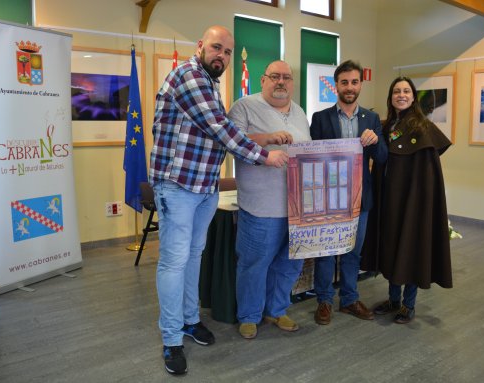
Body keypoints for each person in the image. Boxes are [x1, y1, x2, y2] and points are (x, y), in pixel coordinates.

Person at [149, 25, 288, 376]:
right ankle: (171, 339)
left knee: (194, 256)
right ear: (200, 46)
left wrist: (262, 140)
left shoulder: (210, 83)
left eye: (227, 52)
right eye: (216, 48)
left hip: (204, 187)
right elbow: (221, 130)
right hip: (177, 186)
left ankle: (190, 321)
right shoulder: (190, 77)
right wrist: (265, 155)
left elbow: (219, 131)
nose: (222, 56)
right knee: (174, 262)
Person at [228, 60, 311, 339]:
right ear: (262, 80)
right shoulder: (244, 106)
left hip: (298, 206)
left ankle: (277, 310)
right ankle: (249, 316)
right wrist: (266, 138)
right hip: (261, 206)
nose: (281, 82)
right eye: (274, 76)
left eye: (286, 77)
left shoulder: (299, 112)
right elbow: (232, 142)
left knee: (289, 264)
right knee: (254, 263)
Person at [365, 76, 452, 324]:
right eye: (396, 92)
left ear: (413, 97)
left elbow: (428, 172)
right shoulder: (386, 126)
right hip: (389, 200)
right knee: (392, 247)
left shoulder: (423, 128)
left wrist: (420, 202)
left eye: (406, 91)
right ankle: (393, 300)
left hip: (413, 202)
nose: (401, 95)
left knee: (412, 248)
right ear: (391, 97)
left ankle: (408, 305)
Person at [310, 60, 388, 325]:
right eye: (344, 82)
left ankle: (349, 299)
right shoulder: (320, 118)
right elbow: (311, 158)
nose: (350, 87)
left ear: (360, 85)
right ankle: (323, 300)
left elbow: (382, 157)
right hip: (329, 198)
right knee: (326, 251)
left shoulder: (372, 119)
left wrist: (376, 141)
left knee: (353, 252)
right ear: (336, 86)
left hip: (359, 198)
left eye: (354, 82)